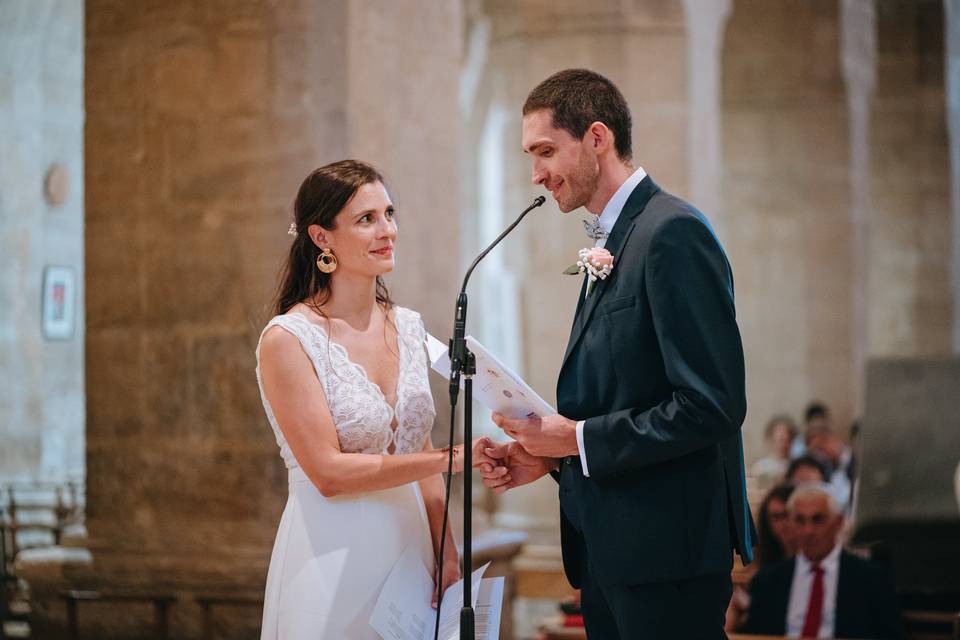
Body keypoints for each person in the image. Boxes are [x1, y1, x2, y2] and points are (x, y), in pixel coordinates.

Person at [475, 68, 755, 639]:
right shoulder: (615, 236)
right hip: (614, 550)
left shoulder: (671, 233)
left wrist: (575, 439)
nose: (538, 174)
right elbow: (629, 393)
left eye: (547, 151)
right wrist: (555, 458)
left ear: (597, 138)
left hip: (666, 558)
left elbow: (712, 404)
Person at [255, 160, 469, 639]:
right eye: (366, 219)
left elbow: (419, 449)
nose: (387, 230)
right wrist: (451, 458)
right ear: (321, 237)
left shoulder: (409, 326)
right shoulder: (289, 339)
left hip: (411, 553)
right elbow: (328, 474)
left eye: (389, 213)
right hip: (334, 554)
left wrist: (445, 549)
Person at [742, 484, 902, 638]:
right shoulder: (766, 583)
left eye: (818, 520)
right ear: (791, 524)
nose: (808, 531)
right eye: (800, 520)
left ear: (838, 523)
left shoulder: (872, 579)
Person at [751, 414, 799, 489]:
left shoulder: (798, 466)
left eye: (788, 440)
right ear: (771, 439)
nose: (784, 445)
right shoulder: (761, 467)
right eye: (781, 440)